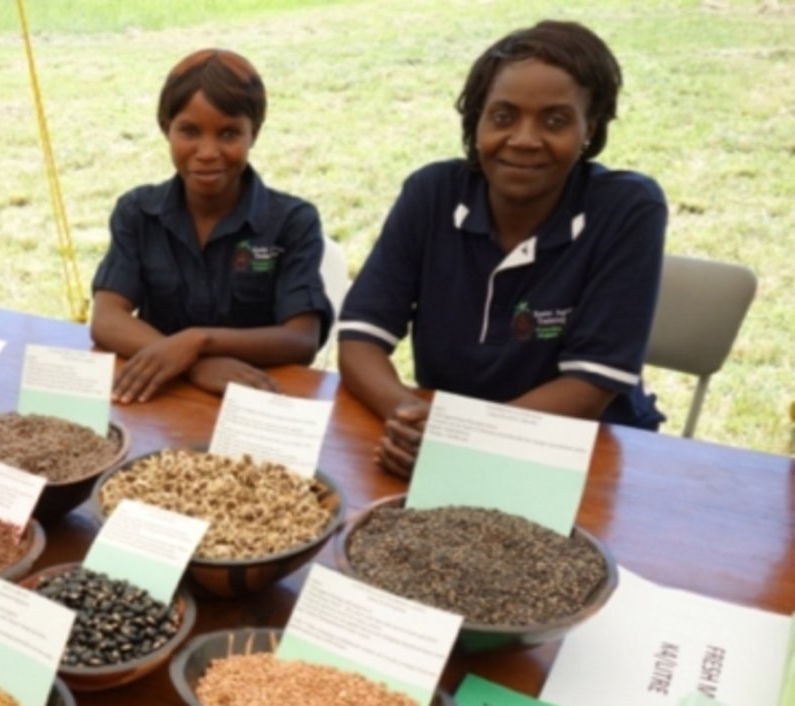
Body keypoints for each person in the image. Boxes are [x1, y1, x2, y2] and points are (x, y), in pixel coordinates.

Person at [337, 21, 667, 478]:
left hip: (575, 452)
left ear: (590, 126)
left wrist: (462, 444)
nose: (525, 139)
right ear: (476, 122)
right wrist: (407, 418)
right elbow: (360, 340)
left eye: (555, 120)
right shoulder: (432, 194)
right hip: (438, 444)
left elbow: (590, 386)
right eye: (503, 116)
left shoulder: (627, 209)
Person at [90, 49, 334, 404]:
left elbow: (301, 339)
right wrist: (192, 364)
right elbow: (107, 318)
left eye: (229, 134)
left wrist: (197, 342)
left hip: (256, 398)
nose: (207, 151)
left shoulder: (292, 222)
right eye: (189, 131)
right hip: (163, 396)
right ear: (165, 129)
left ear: (254, 134)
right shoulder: (138, 212)